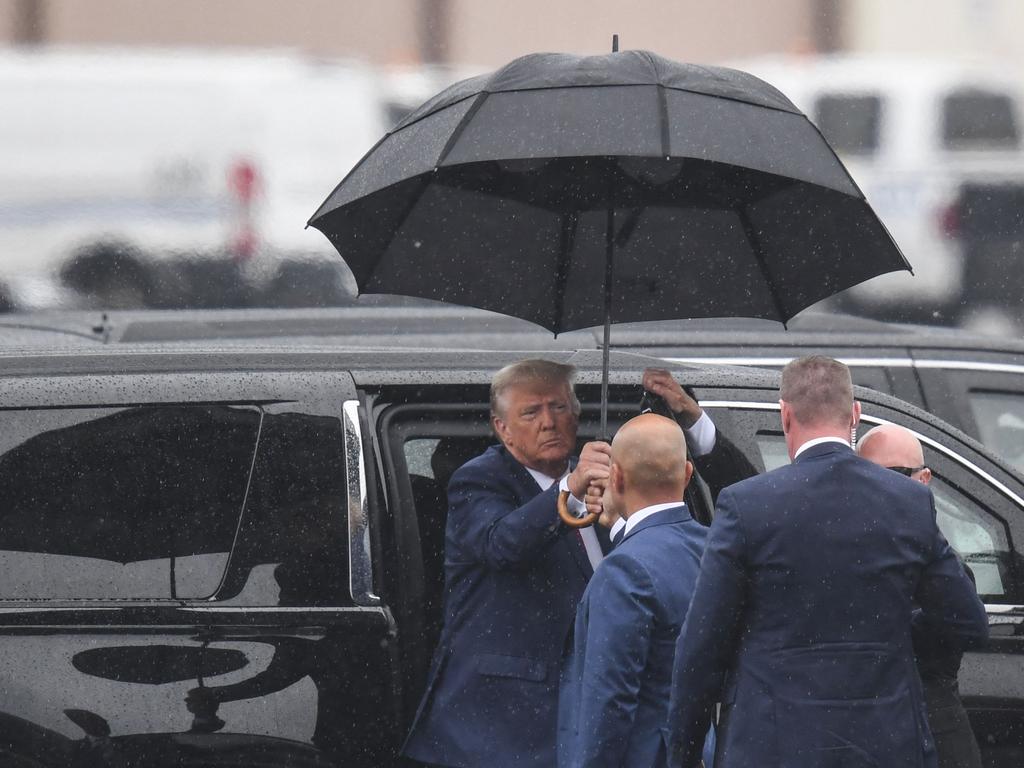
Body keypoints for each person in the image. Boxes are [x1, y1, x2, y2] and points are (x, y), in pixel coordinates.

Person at [403, 359, 751, 768]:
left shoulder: (612, 481)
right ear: (502, 428)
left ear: (578, 414)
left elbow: (746, 502)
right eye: (531, 412)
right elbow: (503, 545)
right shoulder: (479, 480)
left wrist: (692, 421)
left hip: (593, 721)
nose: (548, 422)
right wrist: (569, 489)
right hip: (500, 725)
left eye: (559, 408)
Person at [666, 355, 989, 768]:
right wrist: (888, 638)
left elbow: (702, 647)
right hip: (884, 742)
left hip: (773, 745)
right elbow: (968, 621)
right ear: (855, 414)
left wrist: (684, 752)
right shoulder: (908, 502)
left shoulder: (747, 506)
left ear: (785, 415)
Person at [558, 413, 708, 768]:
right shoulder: (716, 548)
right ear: (687, 475)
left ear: (617, 476)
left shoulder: (625, 569)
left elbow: (609, 702)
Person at [858, 424, 984, 768]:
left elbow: (960, 628)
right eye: (868, 475)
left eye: (896, 474)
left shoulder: (942, 563)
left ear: (924, 479)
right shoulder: (840, 555)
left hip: (934, 732)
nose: (882, 487)